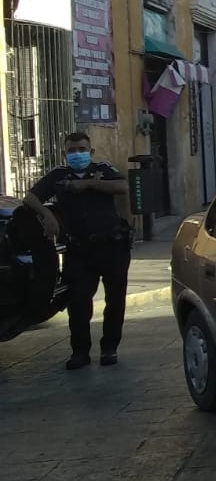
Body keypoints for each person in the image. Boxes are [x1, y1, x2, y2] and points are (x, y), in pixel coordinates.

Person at [24, 132, 132, 370]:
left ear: (90, 152)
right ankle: (80, 352)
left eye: (81, 149)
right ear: (65, 154)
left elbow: (123, 186)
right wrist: (47, 214)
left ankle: (109, 348)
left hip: (112, 247)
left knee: (115, 301)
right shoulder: (59, 176)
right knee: (79, 304)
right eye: (72, 150)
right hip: (80, 251)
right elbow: (30, 197)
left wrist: (89, 184)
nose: (77, 154)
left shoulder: (102, 169)